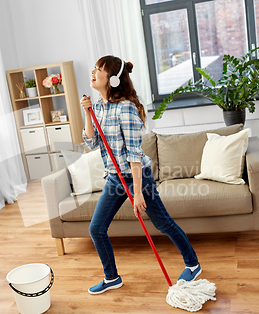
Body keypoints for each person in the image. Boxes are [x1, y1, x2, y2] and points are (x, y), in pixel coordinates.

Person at [80, 55, 201, 295]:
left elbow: (135, 155)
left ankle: (193, 264)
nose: (92, 72)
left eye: (98, 69)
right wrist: (87, 113)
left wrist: (137, 194)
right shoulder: (99, 107)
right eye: (93, 68)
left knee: (162, 223)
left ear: (112, 79)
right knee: (96, 228)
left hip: (138, 176)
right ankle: (111, 277)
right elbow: (92, 142)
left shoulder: (126, 108)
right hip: (115, 177)